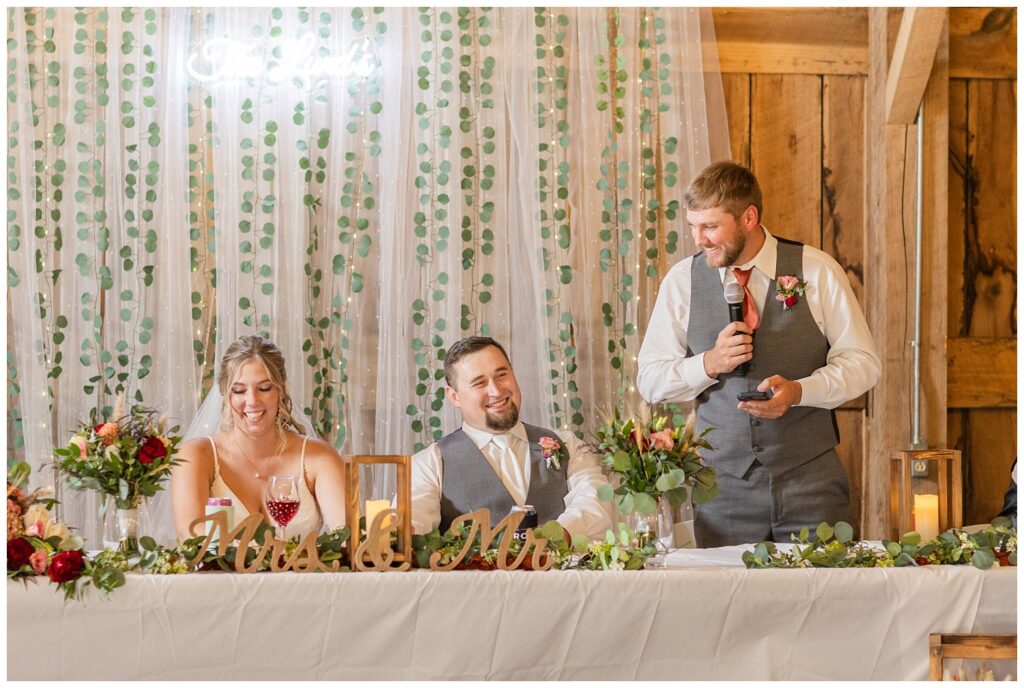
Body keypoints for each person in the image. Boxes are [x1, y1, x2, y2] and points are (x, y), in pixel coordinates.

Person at [636, 161, 881, 547]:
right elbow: (650, 379)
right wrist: (709, 363)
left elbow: (864, 364)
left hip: (811, 485)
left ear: (749, 216)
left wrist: (801, 391)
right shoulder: (682, 282)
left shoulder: (816, 271)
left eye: (711, 226)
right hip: (721, 493)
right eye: (693, 227)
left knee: (826, 603)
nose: (699, 239)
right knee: (731, 608)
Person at [410, 336, 612, 540]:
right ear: (454, 396)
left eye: (502, 375)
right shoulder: (429, 463)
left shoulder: (568, 444)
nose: (496, 391)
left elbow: (596, 502)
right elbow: (413, 520)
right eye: (479, 383)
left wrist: (555, 537)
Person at [171, 335, 347, 541]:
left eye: (264, 388)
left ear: (281, 391)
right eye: (239, 390)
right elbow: (191, 536)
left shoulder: (319, 457)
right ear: (225, 394)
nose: (252, 401)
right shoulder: (197, 455)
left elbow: (346, 537)